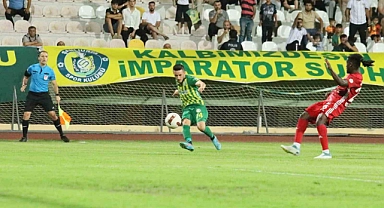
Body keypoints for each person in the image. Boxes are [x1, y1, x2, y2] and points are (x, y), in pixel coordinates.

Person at [281, 54, 374, 159]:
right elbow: (343, 88)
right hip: (330, 100)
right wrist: (331, 93)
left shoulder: (357, 77)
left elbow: (342, 83)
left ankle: (326, 152)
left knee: (321, 120)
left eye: (347, 64)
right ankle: (296, 146)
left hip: (337, 103)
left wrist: (331, 70)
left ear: (351, 64)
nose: (346, 66)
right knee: (305, 115)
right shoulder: (352, 76)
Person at [19, 51, 70, 143]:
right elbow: (26, 76)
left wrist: (57, 95)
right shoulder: (32, 67)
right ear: (39, 58)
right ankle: (24, 137)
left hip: (44, 95)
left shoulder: (50, 70)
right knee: (26, 115)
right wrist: (24, 85)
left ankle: (62, 135)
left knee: (53, 115)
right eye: (42, 56)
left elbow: (54, 84)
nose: (44, 58)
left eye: (46, 56)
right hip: (32, 95)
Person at [172, 64, 221, 152]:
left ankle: (213, 138)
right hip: (187, 107)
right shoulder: (178, 82)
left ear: (184, 73)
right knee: (185, 122)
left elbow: (200, 83)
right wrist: (178, 91)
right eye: (176, 75)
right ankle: (189, 143)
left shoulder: (190, 79)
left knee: (201, 127)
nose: (178, 77)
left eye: (180, 75)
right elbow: (185, 90)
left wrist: (201, 86)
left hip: (198, 105)